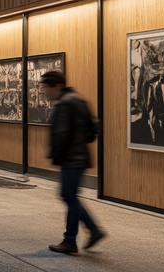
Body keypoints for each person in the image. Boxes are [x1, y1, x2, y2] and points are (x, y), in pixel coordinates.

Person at [41, 70, 105, 254]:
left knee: (68, 196)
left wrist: (55, 153)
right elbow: (93, 127)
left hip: (71, 158)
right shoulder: (77, 99)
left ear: (57, 86)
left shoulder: (65, 104)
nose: (45, 91)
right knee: (70, 196)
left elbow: (61, 133)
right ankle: (75, 238)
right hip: (79, 156)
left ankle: (84, 234)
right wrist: (82, 141)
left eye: (46, 87)